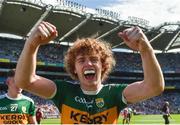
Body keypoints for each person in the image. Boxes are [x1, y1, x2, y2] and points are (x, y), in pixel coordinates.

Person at [15, 21, 164, 124]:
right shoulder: (64, 91)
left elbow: (154, 87)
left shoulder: (115, 94)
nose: (88, 63)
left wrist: (146, 49)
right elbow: (24, 81)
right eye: (81, 61)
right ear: (74, 68)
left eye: (94, 59)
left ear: (103, 66)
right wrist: (31, 44)